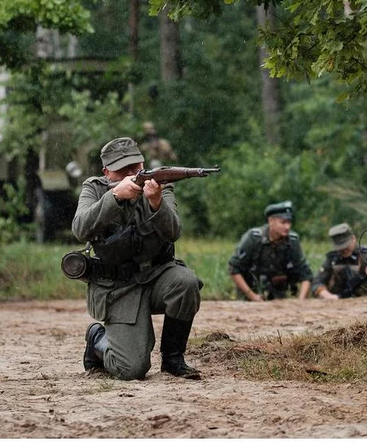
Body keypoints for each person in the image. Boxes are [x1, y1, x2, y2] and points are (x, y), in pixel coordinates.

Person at [72, 136, 202, 380]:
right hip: (117, 288)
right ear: (107, 172)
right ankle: (97, 340)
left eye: (136, 167)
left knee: (186, 283)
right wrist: (115, 198)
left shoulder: (160, 187)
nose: (133, 173)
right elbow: (80, 229)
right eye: (123, 170)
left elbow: (173, 232)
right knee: (131, 370)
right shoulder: (95, 188)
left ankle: (173, 359)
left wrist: (155, 203)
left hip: (156, 276)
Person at [228, 201, 313, 301]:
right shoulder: (253, 238)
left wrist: (300, 301)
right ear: (271, 221)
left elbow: (306, 274)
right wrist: (252, 296)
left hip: (280, 298)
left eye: (289, 222)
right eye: (283, 222)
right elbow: (234, 269)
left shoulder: (292, 241)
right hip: (250, 297)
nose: (287, 227)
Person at [312, 223, 367, 299]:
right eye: (340, 248)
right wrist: (328, 296)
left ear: (353, 239)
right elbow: (317, 282)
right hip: (336, 302)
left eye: (346, 246)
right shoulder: (332, 259)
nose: (344, 250)